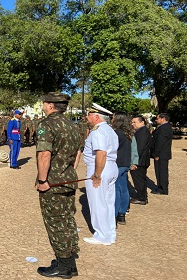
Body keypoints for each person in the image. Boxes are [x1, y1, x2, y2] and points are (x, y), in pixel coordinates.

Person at [35, 93, 82, 278]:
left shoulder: (47, 124)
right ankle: (68, 263)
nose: (43, 105)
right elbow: (78, 152)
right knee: (68, 221)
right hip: (68, 179)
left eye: (45, 103)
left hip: (52, 184)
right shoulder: (73, 125)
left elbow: (44, 154)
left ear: (51, 105)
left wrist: (42, 180)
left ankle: (63, 268)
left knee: (56, 224)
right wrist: (67, 171)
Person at [83, 103, 118, 246]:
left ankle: (101, 235)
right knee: (108, 202)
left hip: (100, 167)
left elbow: (101, 153)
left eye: (89, 115)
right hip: (110, 167)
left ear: (96, 116)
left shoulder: (97, 131)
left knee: (98, 203)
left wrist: (97, 174)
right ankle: (109, 233)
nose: (86, 117)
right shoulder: (109, 130)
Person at [111, 113, 133, 225]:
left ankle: (115, 214)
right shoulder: (127, 133)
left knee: (116, 190)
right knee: (123, 189)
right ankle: (122, 213)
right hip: (125, 163)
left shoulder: (116, 133)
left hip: (118, 163)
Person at [129, 115, 152, 205]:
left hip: (139, 161)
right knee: (141, 179)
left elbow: (139, 148)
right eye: (132, 122)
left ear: (142, 122)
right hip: (141, 160)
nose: (132, 124)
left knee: (139, 180)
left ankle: (141, 198)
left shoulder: (142, 132)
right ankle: (142, 196)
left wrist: (134, 162)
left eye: (135, 122)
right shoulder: (142, 131)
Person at [151, 113, 173, 195]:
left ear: (163, 119)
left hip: (161, 154)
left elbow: (160, 142)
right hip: (162, 154)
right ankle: (160, 186)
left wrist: (156, 154)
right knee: (160, 171)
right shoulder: (165, 127)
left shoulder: (164, 128)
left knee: (161, 171)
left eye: (157, 119)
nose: (156, 120)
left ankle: (163, 189)